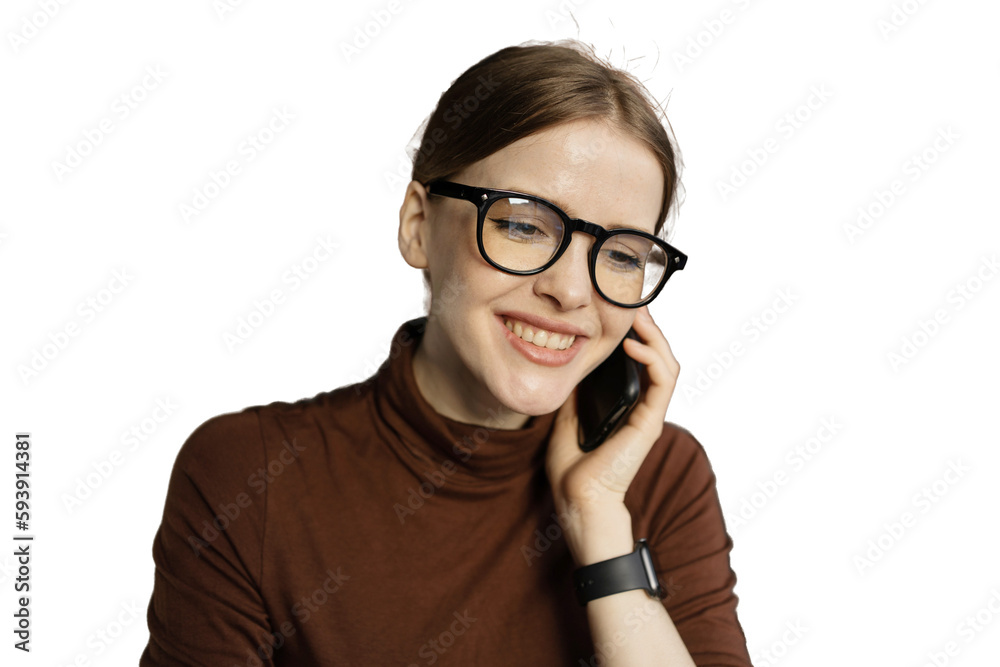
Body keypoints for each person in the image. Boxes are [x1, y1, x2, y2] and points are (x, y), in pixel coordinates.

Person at [140, 39, 752, 666]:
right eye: (523, 223)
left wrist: (597, 521)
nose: (570, 291)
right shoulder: (250, 475)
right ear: (418, 226)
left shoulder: (661, 475)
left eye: (621, 254)